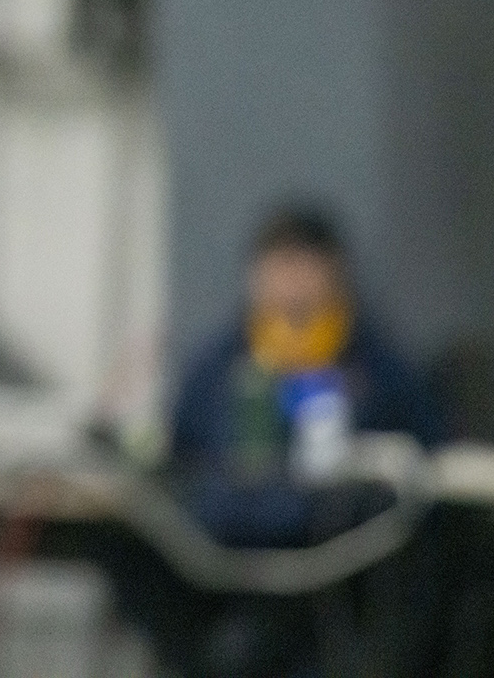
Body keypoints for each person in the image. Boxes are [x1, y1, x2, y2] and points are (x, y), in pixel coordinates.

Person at [112, 207, 447, 677]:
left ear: (334, 272)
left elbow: (423, 454)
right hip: (224, 570)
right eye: (276, 266)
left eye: (303, 265)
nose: (289, 284)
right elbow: (179, 456)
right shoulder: (218, 366)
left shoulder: (376, 368)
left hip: (341, 576)